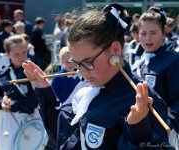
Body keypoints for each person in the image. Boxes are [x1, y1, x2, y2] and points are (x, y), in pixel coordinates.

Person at [23, 3, 172, 149]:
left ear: (115, 50)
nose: (80, 72)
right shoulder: (85, 86)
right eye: (75, 63)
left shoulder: (141, 102)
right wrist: (45, 92)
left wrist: (138, 130)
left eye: (87, 62)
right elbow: (61, 135)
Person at [132, 6, 179, 149]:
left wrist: (170, 126)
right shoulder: (138, 62)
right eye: (143, 33)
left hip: (163, 130)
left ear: (163, 33)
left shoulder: (173, 60)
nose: (147, 38)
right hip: (138, 128)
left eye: (153, 32)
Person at [0, 35, 43, 150]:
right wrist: (1, 103)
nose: (21, 56)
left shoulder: (33, 72)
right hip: (9, 121)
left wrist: (14, 105)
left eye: (24, 52)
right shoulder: (3, 73)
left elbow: (36, 99)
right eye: (16, 54)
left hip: (30, 119)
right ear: (8, 54)